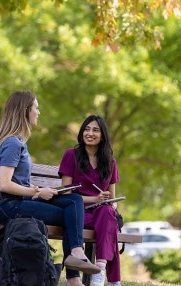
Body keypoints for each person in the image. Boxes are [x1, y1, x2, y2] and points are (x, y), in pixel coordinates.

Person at [0, 91, 101, 286]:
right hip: (8, 206)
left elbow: (17, 181)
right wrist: (37, 192)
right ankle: (74, 276)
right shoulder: (13, 144)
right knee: (71, 215)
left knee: (73, 200)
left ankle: (76, 256)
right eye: (36, 107)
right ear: (26, 111)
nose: (38, 112)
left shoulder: (17, 142)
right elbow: (4, 184)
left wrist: (37, 189)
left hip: (19, 201)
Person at [59, 115, 121, 286]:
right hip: (77, 213)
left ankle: (99, 270)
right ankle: (113, 280)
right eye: (87, 129)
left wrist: (110, 204)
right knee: (109, 223)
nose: (90, 133)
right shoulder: (71, 155)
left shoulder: (110, 161)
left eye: (95, 130)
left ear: (103, 135)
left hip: (100, 214)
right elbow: (66, 194)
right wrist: (94, 198)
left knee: (108, 212)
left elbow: (112, 197)